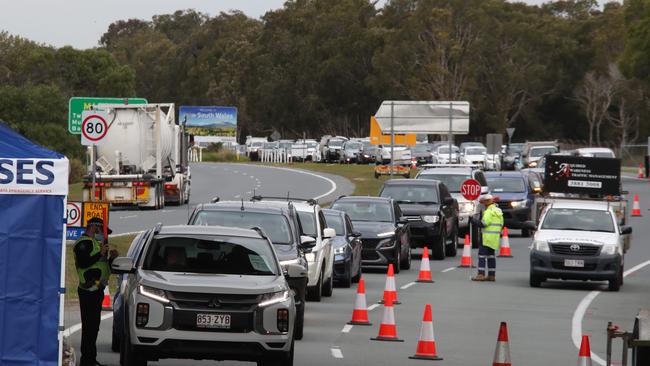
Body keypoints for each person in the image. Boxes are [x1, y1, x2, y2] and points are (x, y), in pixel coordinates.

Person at [73, 217, 118, 366]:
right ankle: (87, 360)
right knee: (89, 327)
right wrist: (100, 253)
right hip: (88, 291)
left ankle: (91, 359)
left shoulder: (95, 245)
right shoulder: (83, 243)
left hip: (97, 290)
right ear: (94, 227)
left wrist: (111, 258)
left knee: (94, 327)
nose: (104, 236)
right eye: (102, 232)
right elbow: (84, 262)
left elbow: (104, 267)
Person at [470, 194, 504, 282]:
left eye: (483, 203)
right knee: (491, 256)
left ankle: (480, 274)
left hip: (486, 237)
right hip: (494, 238)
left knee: (481, 255)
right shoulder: (498, 211)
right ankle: (492, 275)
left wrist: (473, 221)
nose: (483, 205)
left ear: (486, 203)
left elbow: (483, 224)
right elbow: (502, 224)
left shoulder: (489, 211)